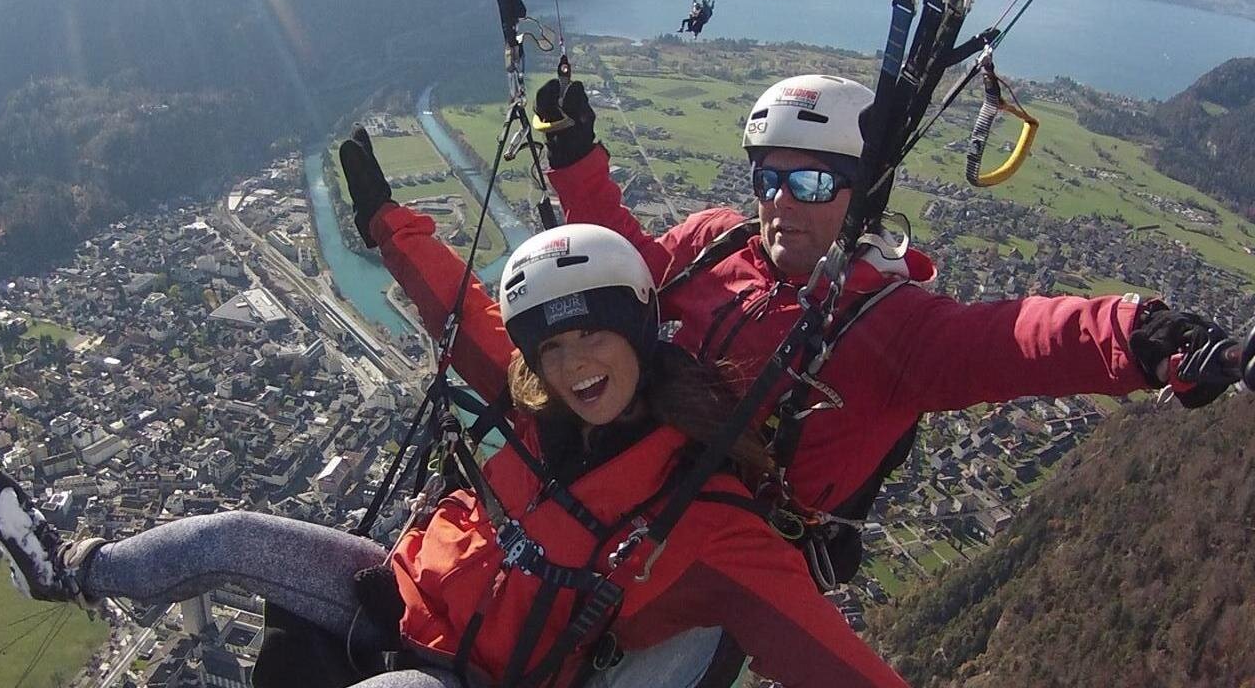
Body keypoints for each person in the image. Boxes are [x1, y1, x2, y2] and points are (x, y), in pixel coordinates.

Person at [0, 131, 910, 688]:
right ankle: (71, 571)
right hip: (398, 590)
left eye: (595, 337)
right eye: (554, 348)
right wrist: (389, 223)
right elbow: (463, 308)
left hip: (467, 675)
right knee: (229, 538)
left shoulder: (698, 510)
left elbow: (827, 654)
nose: (576, 365)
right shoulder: (538, 397)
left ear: (640, 332)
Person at [530, 72, 1248, 575]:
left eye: (811, 183)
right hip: (629, 479)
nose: (782, 203)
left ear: (862, 194)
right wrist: (576, 161)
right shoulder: (715, 240)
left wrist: (1145, 337)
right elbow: (629, 273)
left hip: (726, 546)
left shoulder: (887, 327)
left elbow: (1011, 341)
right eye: (769, 180)